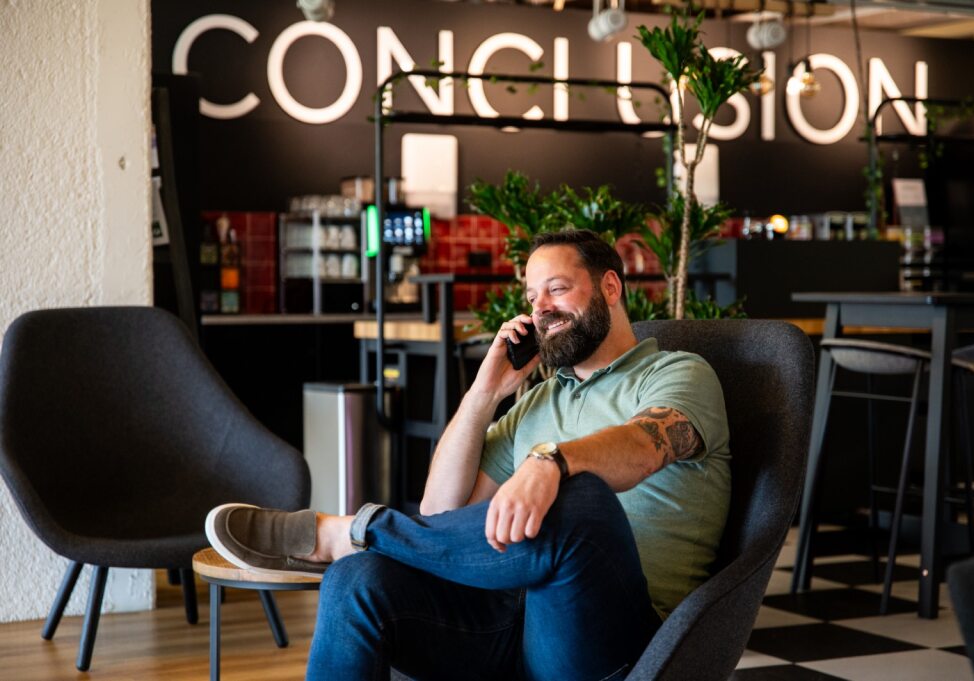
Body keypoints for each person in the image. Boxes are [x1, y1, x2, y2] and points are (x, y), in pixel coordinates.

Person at [206, 229, 730, 681]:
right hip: (508, 624)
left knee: (578, 498)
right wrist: (484, 394)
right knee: (356, 580)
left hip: (617, 641)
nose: (540, 308)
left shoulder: (677, 373)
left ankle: (349, 533)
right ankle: (355, 542)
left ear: (610, 287)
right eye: (531, 297)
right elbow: (441, 515)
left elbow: (644, 447)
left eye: (558, 289)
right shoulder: (540, 400)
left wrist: (551, 462)